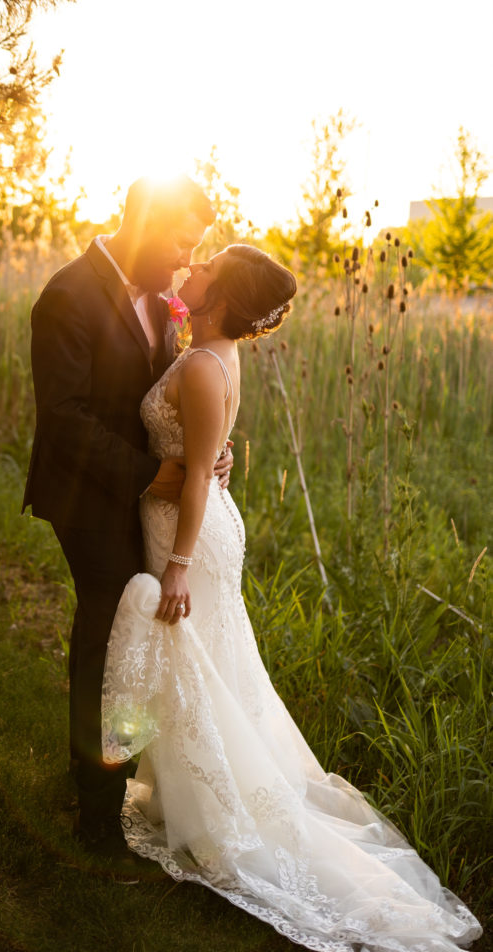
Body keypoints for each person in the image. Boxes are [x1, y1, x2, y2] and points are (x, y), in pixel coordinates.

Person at [102, 245, 482, 949]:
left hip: (189, 534)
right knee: (206, 667)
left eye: (209, 264)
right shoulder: (209, 353)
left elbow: (192, 478)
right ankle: (197, 799)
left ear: (221, 296)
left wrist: (179, 565)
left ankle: (217, 822)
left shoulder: (202, 365)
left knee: (199, 668)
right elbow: (205, 451)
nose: (197, 264)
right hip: (197, 520)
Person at [22, 175, 232, 871]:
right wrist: (156, 476)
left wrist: (207, 450)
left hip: (140, 496)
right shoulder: (67, 296)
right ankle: (94, 811)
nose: (184, 259)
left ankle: (109, 774)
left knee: (138, 640)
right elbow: (65, 417)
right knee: (110, 634)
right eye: (179, 242)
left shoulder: (159, 296)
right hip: (84, 495)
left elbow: (161, 388)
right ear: (142, 222)